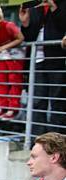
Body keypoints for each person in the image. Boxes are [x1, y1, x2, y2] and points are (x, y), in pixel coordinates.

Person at [19, 0, 66, 135]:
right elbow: (28, 37)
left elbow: (62, 25)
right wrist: (25, 23)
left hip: (57, 57)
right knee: (37, 101)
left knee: (57, 100)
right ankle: (38, 138)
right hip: (37, 59)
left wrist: (54, 7)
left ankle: (56, 139)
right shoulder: (35, 7)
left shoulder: (61, 4)